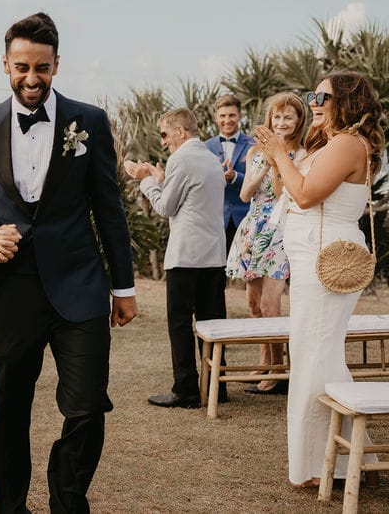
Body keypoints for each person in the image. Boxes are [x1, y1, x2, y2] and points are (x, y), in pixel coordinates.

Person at [0, 12, 137, 514]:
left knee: (86, 405)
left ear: (56, 64)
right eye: (21, 67)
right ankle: (12, 508)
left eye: (41, 67)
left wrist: (123, 287)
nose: (31, 78)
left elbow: (109, 207)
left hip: (80, 285)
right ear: (5, 65)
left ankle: (68, 501)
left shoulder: (90, 121)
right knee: (9, 408)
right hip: (12, 288)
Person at [254, 71, 384, 487]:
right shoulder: (328, 143)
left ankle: (322, 465)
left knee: (314, 358)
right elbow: (288, 192)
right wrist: (276, 159)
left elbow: (308, 196)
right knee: (316, 355)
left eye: (322, 97)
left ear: (346, 102)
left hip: (327, 261)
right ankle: (349, 458)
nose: (313, 102)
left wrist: (281, 154)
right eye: (313, 94)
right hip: (310, 256)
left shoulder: (347, 144)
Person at [125, 108, 227, 409]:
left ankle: (186, 389)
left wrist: (147, 181)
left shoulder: (181, 159)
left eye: (165, 134)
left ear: (181, 131)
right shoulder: (211, 158)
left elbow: (166, 207)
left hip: (186, 256)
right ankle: (217, 386)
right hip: (213, 255)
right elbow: (191, 196)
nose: (163, 140)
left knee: (180, 323)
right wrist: (161, 177)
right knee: (212, 322)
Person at [225, 93, 307, 394]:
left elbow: (286, 192)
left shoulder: (301, 153)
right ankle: (265, 360)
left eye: (288, 117)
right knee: (253, 304)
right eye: (277, 117)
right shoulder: (254, 152)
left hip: (280, 227)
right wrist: (265, 163)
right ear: (269, 120)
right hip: (254, 227)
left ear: (298, 121)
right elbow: (245, 195)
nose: (282, 122)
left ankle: (278, 369)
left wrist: (277, 163)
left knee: (270, 304)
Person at [205, 95, 253, 250]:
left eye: (232, 115)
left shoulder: (254, 145)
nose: (227, 120)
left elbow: (260, 181)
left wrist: (235, 177)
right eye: (222, 116)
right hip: (215, 221)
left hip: (246, 218)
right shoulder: (205, 147)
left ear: (240, 115)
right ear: (215, 117)